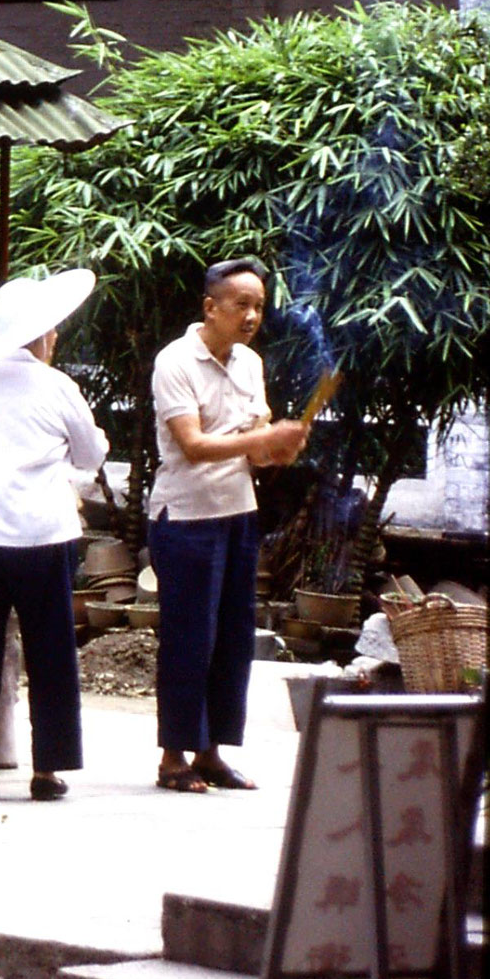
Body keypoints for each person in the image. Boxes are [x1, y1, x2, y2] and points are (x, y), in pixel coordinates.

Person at [0, 270, 108, 803]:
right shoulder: (58, 387)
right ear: (39, 337)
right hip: (42, 536)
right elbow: (91, 455)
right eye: (52, 330)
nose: (55, 337)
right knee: (51, 652)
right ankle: (48, 768)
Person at [148, 256, 307, 793]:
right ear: (210, 306)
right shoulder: (175, 361)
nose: (251, 316)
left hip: (238, 512)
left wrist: (277, 449)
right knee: (189, 636)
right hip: (186, 515)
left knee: (232, 637)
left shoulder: (249, 364)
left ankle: (212, 750)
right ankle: (173, 757)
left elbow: (252, 449)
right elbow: (192, 446)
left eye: (259, 306)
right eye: (242, 304)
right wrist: (261, 441)